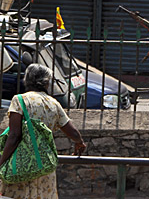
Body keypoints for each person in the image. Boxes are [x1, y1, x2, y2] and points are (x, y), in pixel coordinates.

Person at [0, 63, 87, 199]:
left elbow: (15, 136)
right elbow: (73, 132)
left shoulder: (20, 100)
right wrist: (79, 143)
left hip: (20, 167)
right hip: (43, 167)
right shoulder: (53, 103)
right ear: (46, 83)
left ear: (26, 80)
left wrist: (1, 162)